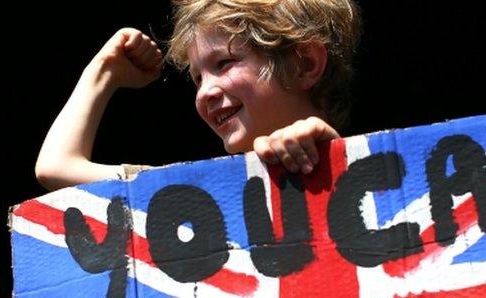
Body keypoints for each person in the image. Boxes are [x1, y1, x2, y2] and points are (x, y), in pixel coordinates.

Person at [35, 0, 362, 191]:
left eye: (224, 63)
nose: (204, 92)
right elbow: (56, 167)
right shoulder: (202, 189)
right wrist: (103, 73)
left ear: (306, 63)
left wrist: (330, 154)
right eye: (196, 78)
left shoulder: (370, 171)